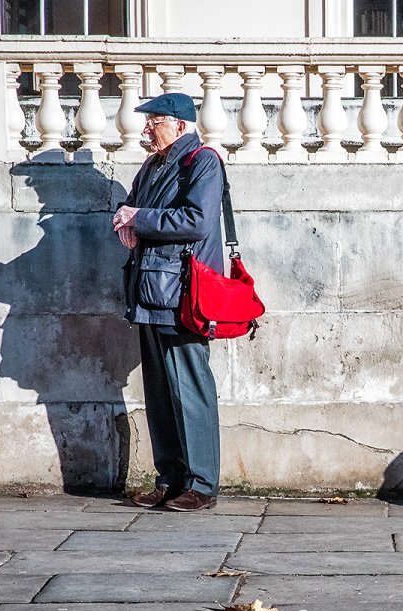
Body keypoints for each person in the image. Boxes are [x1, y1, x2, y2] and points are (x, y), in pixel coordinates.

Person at [112, 92, 222, 512]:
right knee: (159, 392)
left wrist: (138, 218)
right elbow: (136, 208)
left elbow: (196, 221)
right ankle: (170, 479)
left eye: (154, 120)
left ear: (179, 125)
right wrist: (125, 215)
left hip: (181, 295)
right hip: (150, 290)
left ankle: (202, 484)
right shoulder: (153, 165)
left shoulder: (203, 161)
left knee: (190, 388)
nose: (146, 128)